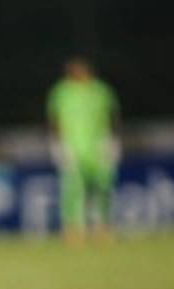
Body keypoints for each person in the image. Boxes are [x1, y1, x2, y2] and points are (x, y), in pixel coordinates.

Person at [47, 57, 121, 244]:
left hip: (98, 147)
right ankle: (74, 229)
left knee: (103, 187)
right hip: (73, 147)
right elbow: (54, 119)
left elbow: (113, 115)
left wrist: (113, 140)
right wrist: (57, 144)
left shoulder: (101, 90)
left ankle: (103, 227)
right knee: (73, 189)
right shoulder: (62, 92)